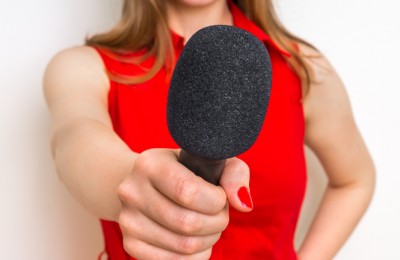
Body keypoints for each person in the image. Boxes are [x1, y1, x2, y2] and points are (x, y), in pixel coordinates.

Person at [43, 0, 375, 259]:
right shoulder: (85, 66)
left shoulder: (304, 69)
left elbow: (355, 180)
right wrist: (132, 183)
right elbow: (74, 141)